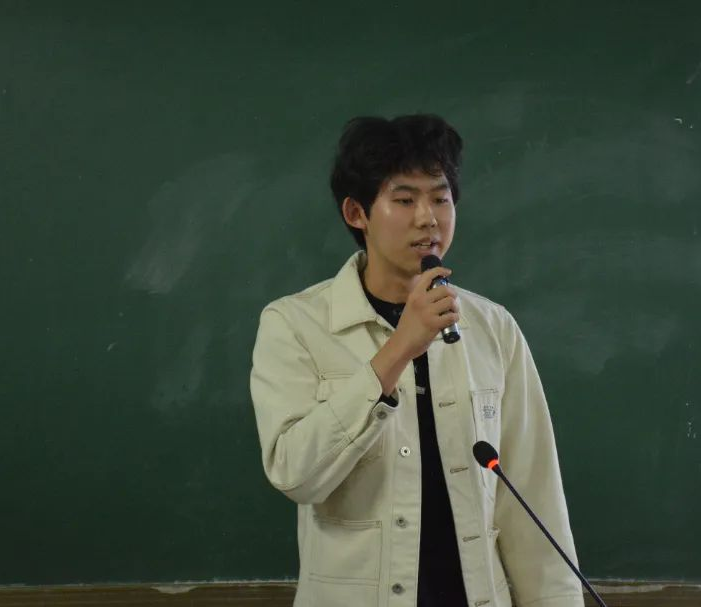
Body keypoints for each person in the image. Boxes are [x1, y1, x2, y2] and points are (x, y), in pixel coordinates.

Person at [250, 114, 583, 607]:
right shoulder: (295, 324)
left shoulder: (492, 327)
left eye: (441, 199)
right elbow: (295, 474)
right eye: (405, 200)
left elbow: (533, 498)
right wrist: (399, 347)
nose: (428, 218)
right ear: (356, 213)